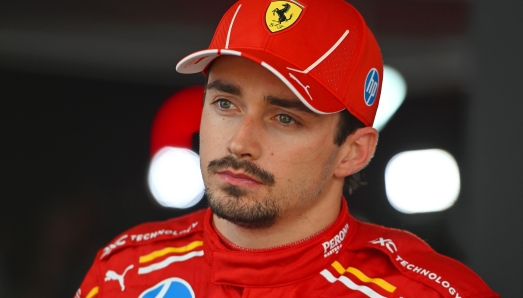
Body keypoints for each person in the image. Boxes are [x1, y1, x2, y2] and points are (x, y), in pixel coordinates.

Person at [76, 0, 500, 297]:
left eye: (285, 118)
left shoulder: (431, 294)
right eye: (225, 103)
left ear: (353, 152)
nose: (241, 142)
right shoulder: (124, 273)